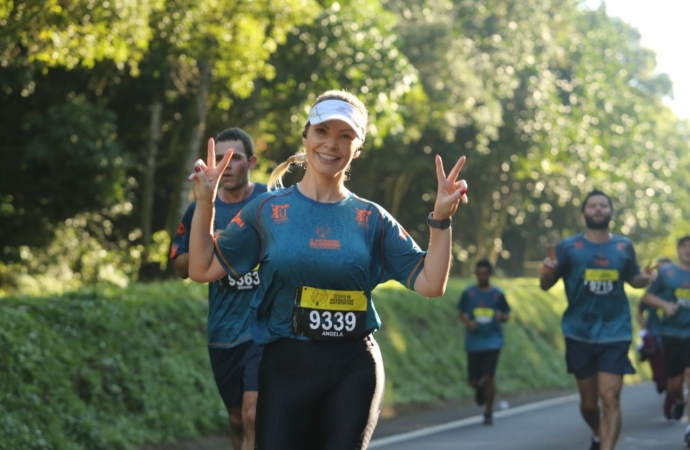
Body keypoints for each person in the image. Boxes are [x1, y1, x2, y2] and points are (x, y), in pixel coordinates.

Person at [186, 89, 469, 450]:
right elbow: (202, 267)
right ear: (305, 136)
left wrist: (441, 220)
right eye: (322, 131)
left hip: (352, 366)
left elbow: (430, 283)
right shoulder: (267, 210)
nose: (331, 144)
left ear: (358, 148)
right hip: (284, 365)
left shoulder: (371, 218)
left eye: (345, 135)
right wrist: (205, 204)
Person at [170, 127, 266, 450]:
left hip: (264, 329)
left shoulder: (271, 203)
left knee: (255, 415)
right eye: (220, 160)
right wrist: (214, 244)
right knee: (238, 420)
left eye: (234, 158)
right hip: (223, 332)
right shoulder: (200, 208)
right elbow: (182, 267)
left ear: (251, 162)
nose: (226, 167)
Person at [539, 189, 653, 450]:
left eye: (603, 205)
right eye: (593, 206)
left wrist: (643, 280)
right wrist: (547, 271)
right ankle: (598, 432)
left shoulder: (623, 246)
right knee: (590, 405)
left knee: (610, 397)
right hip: (579, 331)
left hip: (616, 330)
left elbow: (633, 278)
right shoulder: (568, 247)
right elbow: (546, 284)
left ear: (611, 212)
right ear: (584, 214)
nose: (598, 209)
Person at [642, 236, 690, 445]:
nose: (688, 251)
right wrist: (664, 305)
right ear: (679, 250)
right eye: (685, 247)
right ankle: (679, 399)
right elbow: (647, 297)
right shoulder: (667, 273)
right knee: (675, 384)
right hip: (671, 335)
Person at [457, 258, 510, 425]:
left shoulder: (497, 294)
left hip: (493, 341)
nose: (482, 276)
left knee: (488, 377)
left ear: (490, 274)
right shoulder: (469, 293)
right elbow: (461, 312)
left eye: (485, 273)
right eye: (479, 273)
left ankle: (488, 411)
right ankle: (479, 389)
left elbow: (506, 314)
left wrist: (501, 317)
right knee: (474, 380)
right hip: (474, 342)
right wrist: (469, 322)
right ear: (476, 274)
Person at [636, 257, 671, 417]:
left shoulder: (681, 286)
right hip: (655, 338)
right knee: (659, 375)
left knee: (676, 375)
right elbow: (640, 309)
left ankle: (671, 404)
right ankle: (661, 383)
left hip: (676, 338)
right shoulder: (652, 292)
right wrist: (645, 332)